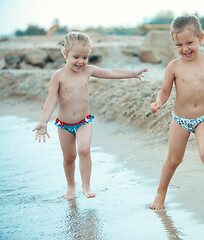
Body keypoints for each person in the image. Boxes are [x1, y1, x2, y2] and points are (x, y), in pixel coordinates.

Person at [32, 31, 148, 199]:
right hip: (63, 125)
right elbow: (50, 101)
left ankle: (86, 186)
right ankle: (71, 187)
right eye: (76, 57)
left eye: (85, 57)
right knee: (69, 157)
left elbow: (111, 73)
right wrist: (43, 122)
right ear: (65, 54)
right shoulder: (58, 76)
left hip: (84, 122)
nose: (81, 62)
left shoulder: (87, 71)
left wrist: (133, 74)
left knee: (84, 149)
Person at [149, 15, 204, 210]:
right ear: (174, 43)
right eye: (179, 45)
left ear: (201, 38)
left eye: (190, 42)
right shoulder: (174, 66)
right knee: (173, 160)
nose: (185, 48)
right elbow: (165, 91)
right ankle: (160, 193)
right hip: (180, 119)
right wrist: (158, 102)